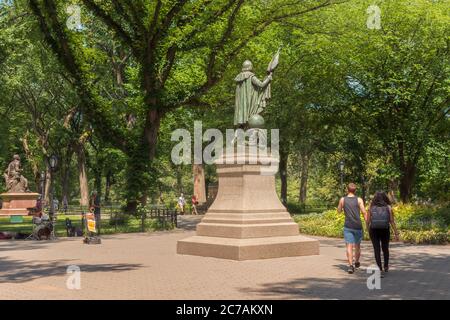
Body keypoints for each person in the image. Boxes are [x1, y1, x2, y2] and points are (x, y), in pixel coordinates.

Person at [337, 183, 368, 274]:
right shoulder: (359, 200)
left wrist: (341, 206)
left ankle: (350, 266)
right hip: (357, 226)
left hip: (348, 225)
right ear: (355, 190)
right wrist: (367, 224)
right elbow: (364, 212)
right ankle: (357, 262)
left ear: (347, 190)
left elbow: (338, 211)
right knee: (357, 245)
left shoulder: (343, 199)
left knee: (349, 246)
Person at [367, 191, 400, 276]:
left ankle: (379, 268)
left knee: (377, 249)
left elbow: (368, 221)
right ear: (385, 198)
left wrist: (368, 230)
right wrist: (396, 233)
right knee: (385, 248)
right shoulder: (388, 207)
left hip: (373, 230)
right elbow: (392, 221)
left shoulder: (371, 207)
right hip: (385, 229)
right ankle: (386, 266)